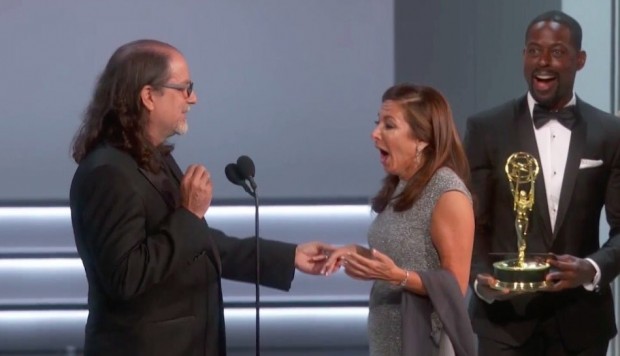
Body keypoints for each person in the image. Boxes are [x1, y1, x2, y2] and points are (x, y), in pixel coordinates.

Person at [69, 39, 333, 356]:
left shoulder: (151, 158)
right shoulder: (108, 173)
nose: (193, 99)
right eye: (185, 88)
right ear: (149, 96)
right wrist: (189, 215)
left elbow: (198, 244)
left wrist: (287, 256)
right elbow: (126, 276)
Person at [465, 10, 620, 355]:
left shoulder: (610, 133)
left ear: (580, 60)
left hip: (581, 325)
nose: (543, 62)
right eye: (534, 50)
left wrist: (592, 268)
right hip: (504, 325)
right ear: (523, 56)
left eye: (557, 52)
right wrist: (481, 279)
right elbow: (472, 223)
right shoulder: (486, 129)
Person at [323, 84, 475, 356]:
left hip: (425, 343)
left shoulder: (447, 192)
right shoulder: (401, 184)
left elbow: (455, 285)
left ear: (422, 139)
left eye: (389, 125)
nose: (374, 133)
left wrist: (398, 277)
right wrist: (354, 253)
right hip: (388, 341)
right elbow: (399, 256)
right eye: (377, 123)